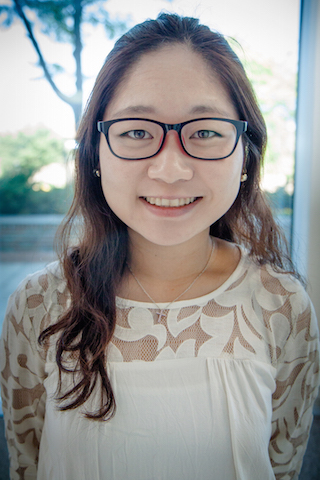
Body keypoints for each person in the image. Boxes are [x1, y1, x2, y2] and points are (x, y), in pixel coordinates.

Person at [0, 13, 319, 480]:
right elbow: (27, 463)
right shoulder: (37, 305)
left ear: (246, 155)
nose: (171, 169)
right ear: (95, 154)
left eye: (206, 131)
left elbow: (282, 466)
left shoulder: (283, 305)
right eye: (136, 131)